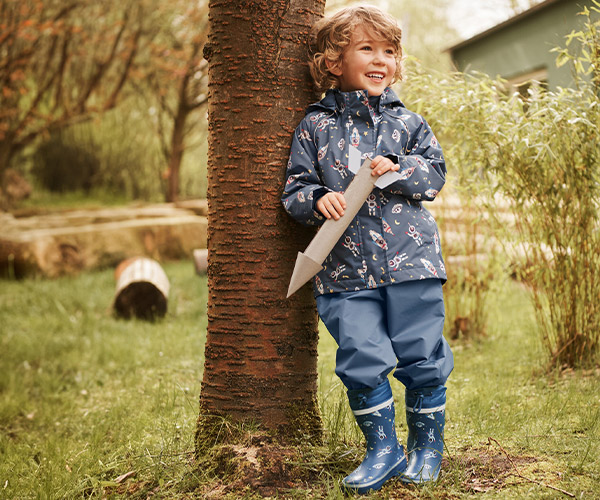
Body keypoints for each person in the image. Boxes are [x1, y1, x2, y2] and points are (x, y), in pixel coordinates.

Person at [281, 4, 454, 494]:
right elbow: (294, 191)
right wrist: (318, 198)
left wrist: (395, 167)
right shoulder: (313, 127)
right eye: (367, 48)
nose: (382, 60)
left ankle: (426, 445)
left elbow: (434, 176)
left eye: (390, 51)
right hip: (342, 269)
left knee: (421, 352)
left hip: (412, 264)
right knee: (360, 353)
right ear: (334, 62)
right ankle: (382, 449)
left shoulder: (409, 123)